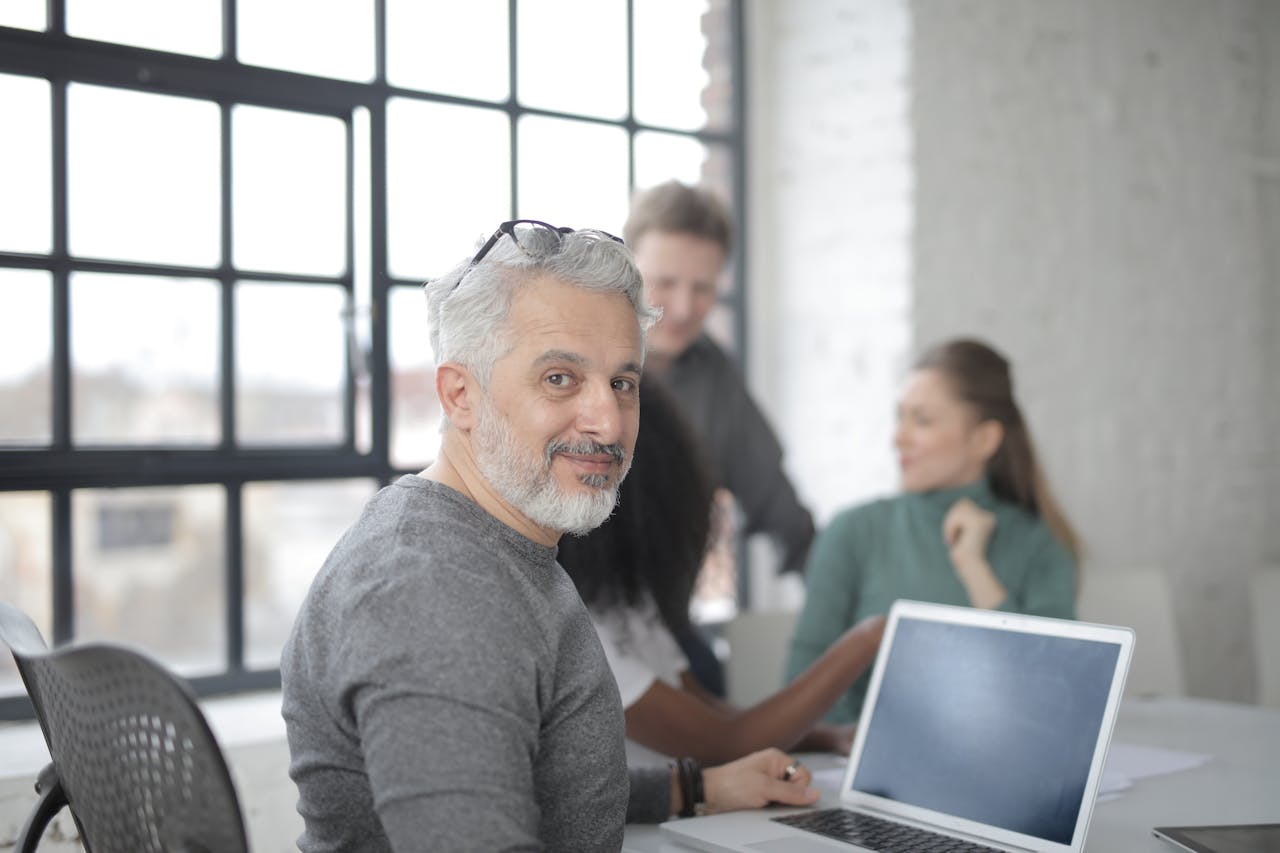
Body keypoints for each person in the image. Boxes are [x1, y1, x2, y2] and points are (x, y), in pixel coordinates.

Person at [280, 219, 819, 852]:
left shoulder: (494, 539)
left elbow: (538, 777)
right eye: (559, 378)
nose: (608, 421)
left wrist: (697, 788)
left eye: (622, 382)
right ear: (460, 396)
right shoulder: (435, 594)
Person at [558, 379, 885, 767]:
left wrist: (827, 738)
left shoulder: (625, 600)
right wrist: (867, 640)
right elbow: (727, 742)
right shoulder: (574, 629)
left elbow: (710, 712)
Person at [785, 338, 1080, 724]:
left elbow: (1051, 695)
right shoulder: (854, 531)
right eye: (900, 417)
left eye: (921, 420)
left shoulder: (1041, 543)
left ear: (983, 440)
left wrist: (974, 567)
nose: (898, 438)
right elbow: (801, 688)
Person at [623, 181, 815, 577]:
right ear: (627, 268)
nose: (682, 309)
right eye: (665, 283)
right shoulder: (566, 360)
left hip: (662, 614)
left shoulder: (716, 376)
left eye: (702, 288)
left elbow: (785, 517)